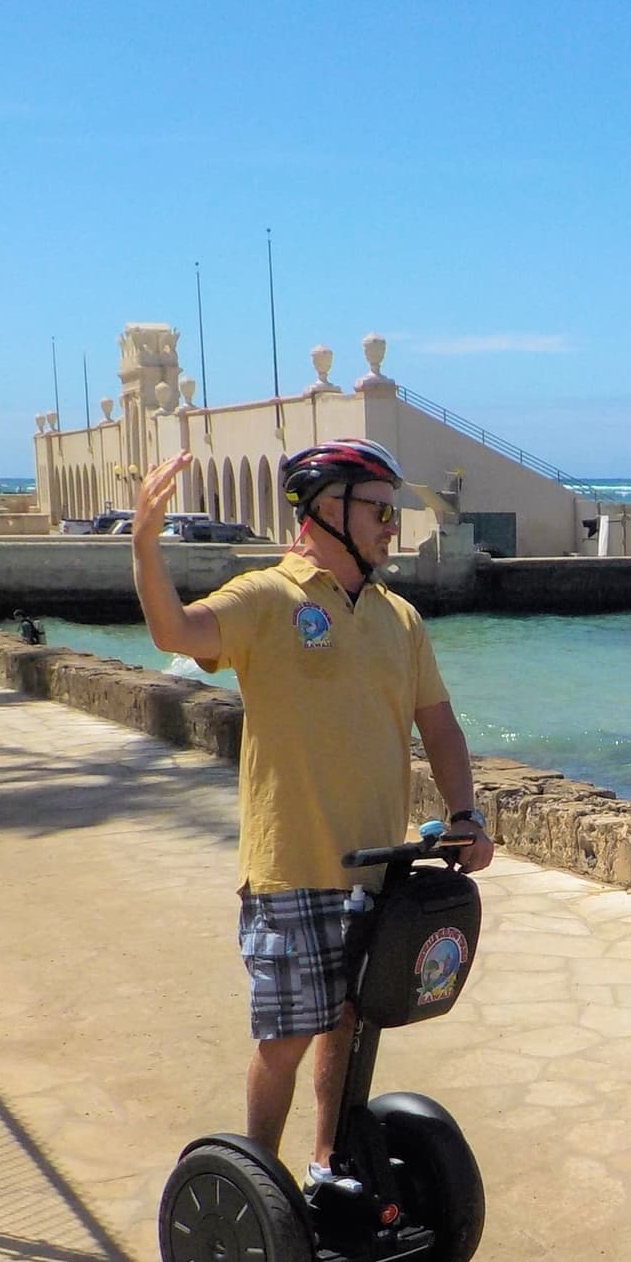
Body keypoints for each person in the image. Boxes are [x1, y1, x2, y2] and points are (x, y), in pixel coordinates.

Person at [130, 441, 493, 1181]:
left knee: (349, 1022)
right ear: (330, 509)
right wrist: (144, 541)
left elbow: (441, 728)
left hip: (375, 867)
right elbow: (175, 632)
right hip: (291, 866)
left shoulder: (400, 619)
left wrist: (466, 814)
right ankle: (258, 1183)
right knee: (289, 1034)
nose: (394, 528)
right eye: (381, 512)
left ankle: (327, 1161)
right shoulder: (267, 598)